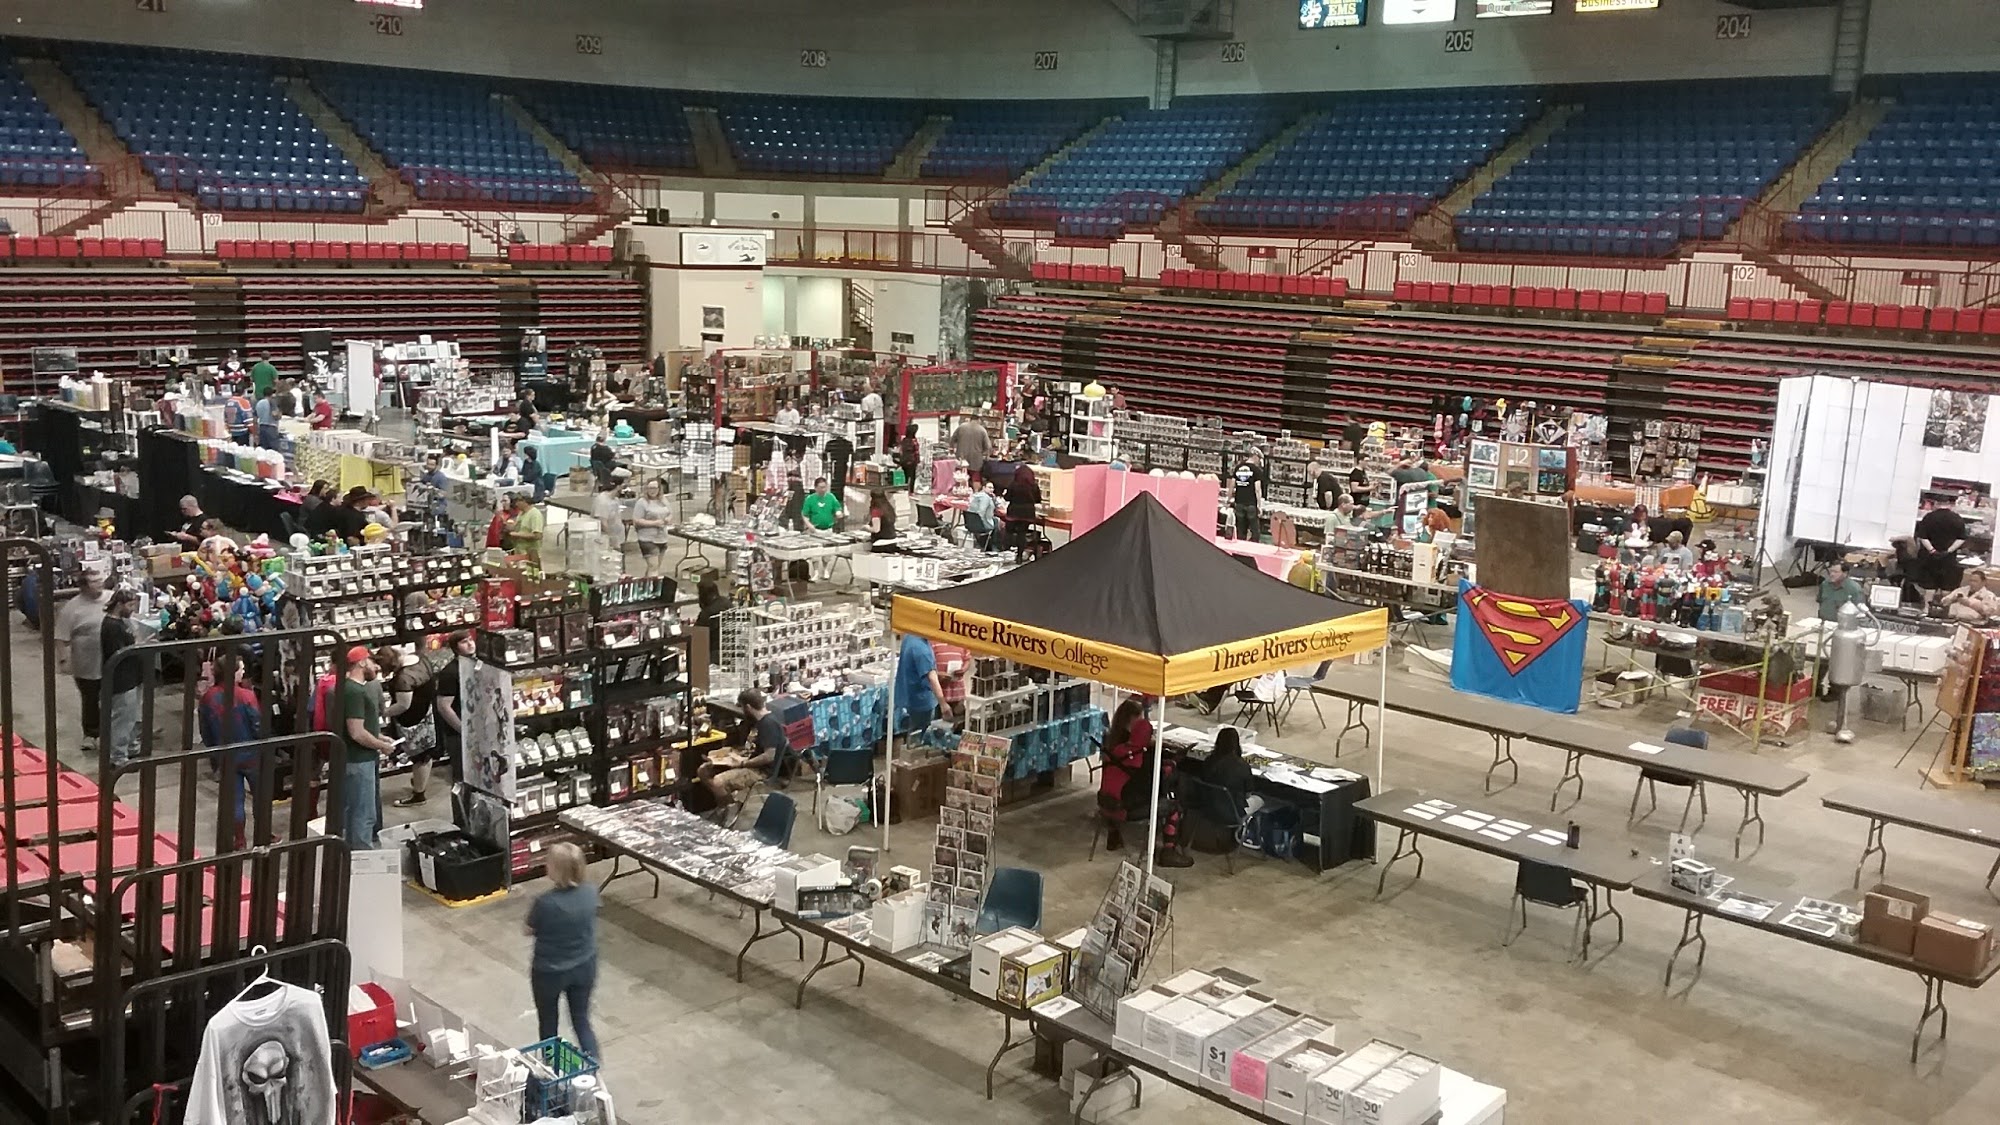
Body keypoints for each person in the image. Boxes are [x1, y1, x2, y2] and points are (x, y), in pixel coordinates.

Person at [526, 842, 601, 1062]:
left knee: (548, 1022)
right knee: (581, 1018)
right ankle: (594, 1065)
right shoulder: (591, 892)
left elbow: (528, 929)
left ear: (557, 870)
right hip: (585, 965)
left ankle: (552, 1066)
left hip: (549, 972)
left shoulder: (545, 903)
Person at [198, 653, 262, 847]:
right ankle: (264, 834)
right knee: (261, 796)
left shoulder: (208, 698)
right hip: (251, 753)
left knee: (235, 799)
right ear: (233, 673)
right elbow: (257, 725)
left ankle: (239, 839)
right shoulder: (246, 695)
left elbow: (205, 730)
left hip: (225, 755)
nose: (243, 671)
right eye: (241, 668)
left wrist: (214, 753)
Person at [337, 646, 395, 849]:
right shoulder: (354, 692)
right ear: (362, 662)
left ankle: (352, 855)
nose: (376, 666)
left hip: (357, 760)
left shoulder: (350, 689)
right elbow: (356, 732)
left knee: (354, 811)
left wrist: (380, 737)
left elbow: (359, 727)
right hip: (359, 761)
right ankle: (362, 858)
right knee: (363, 814)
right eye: (372, 661)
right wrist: (381, 746)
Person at [54, 568, 110, 751]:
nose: (99, 584)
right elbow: (61, 636)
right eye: (94, 581)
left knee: (116, 696)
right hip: (86, 662)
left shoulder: (112, 598)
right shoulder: (72, 607)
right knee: (90, 698)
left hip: (111, 658)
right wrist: (63, 659)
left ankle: (118, 730)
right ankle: (91, 733)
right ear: (84, 586)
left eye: (100, 580)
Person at [702, 689, 788, 807]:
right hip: (751, 763)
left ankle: (729, 809)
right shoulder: (760, 722)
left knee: (718, 782)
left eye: (743, 707)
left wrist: (743, 764)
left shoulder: (768, 724)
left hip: (761, 771)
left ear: (748, 707)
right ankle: (729, 802)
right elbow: (755, 748)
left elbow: (769, 756)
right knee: (703, 771)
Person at [382, 646, 439, 807]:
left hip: (413, 721)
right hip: (427, 713)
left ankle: (419, 794)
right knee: (426, 754)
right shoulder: (420, 659)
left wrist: (384, 712)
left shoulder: (404, 678)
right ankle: (420, 782)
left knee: (420, 757)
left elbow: (403, 705)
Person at [1183, 725, 1253, 855]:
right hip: (1230, 813)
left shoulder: (1209, 761)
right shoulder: (1243, 766)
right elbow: (1248, 794)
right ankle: (1246, 837)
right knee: (1260, 800)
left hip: (1206, 806)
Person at [1095, 700, 1150, 852]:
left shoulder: (1111, 737)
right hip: (1124, 800)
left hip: (1106, 797)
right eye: (1139, 718)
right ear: (1132, 718)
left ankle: (1114, 832)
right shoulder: (1129, 746)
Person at [100, 589, 143, 770]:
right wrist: (139, 646)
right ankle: (118, 757)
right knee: (122, 720)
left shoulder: (121, 623)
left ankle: (131, 747)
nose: (133, 609)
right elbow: (119, 653)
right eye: (130, 605)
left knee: (131, 716)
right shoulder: (111, 627)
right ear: (119, 604)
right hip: (121, 679)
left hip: (131, 676)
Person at [432, 630, 474, 786]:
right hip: (457, 735)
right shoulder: (450, 673)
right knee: (462, 777)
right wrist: (463, 730)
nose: (470, 644)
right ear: (455, 648)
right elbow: (443, 707)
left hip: (476, 730)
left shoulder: (476, 665)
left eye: (470, 639)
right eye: (464, 642)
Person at [1915, 505, 1969, 599]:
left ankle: (1927, 606)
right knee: (1946, 587)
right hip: (1948, 558)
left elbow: (1923, 537)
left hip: (1929, 558)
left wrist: (1932, 550)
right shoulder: (1957, 518)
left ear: (1936, 504)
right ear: (1950, 505)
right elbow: (1961, 538)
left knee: (1929, 587)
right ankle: (1944, 606)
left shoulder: (1929, 517)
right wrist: (1949, 551)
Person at [895, 632, 942, 733]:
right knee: (920, 734)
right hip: (921, 702)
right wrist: (943, 704)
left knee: (910, 731)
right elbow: (932, 678)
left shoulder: (910, 637)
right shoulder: (922, 650)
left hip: (907, 697)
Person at [629, 478, 673, 575]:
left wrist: (668, 519)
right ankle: (654, 584)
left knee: (655, 567)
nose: (652, 491)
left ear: (659, 489)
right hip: (647, 538)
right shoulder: (642, 502)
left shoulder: (663, 500)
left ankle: (646, 582)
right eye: (650, 488)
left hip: (662, 537)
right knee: (653, 566)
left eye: (655, 488)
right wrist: (654, 523)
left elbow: (670, 513)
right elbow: (637, 520)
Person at [1003, 465, 1042, 560]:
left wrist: (1005, 494)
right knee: (1022, 534)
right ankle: (1019, 556)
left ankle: (1005, 553)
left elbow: (1007, 498)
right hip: (1027, 513)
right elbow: (1038, 499)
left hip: (1014, 512)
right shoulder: (1034, 486)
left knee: (1008, 532)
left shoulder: (1013, 484)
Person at [1230, 454, 1265, 543]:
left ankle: (1240, 547)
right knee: (1255, 531)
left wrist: (1229, 498)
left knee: (1240, 530)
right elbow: (1257, 489)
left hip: (1239, 502)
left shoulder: (1238, 467)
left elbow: (1232, 485)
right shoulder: (1256, 470)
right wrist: (1259, 505)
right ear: (1256, 457)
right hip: (1251, 503)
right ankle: (1252, 548)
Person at [506, 494, 546, 570]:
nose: (516, 504)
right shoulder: (521, 513)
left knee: (531, 576)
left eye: (518, 501)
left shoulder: (535, 514)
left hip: (531, 555)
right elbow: (518, 527)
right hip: (520, 554)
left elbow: (537, 535)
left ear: (524, 501)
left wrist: (516, 535)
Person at [692, 577, 730, 655]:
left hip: (713, 651)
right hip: (729, 646)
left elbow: (695, 634)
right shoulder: (726, 602)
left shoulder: (707, 613)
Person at [590, 479, 625, 557]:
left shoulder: (616, 500)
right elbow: (603, 523)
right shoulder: (602, 501)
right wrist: (612, 539)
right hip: (606, 541)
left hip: (618, 539)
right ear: (618, 487)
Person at [964, 478, 999, 550]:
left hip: (970, 524)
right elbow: (981, 512)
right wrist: (983, 522)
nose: (991, 490)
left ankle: (987, 544)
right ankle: (993, 546)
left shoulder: (976, 495)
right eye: (989, 487)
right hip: (980, 524)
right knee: (997, 521)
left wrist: (994, 499)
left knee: (995, 520)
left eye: (992, 488)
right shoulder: (985, 498)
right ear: (984, 488)